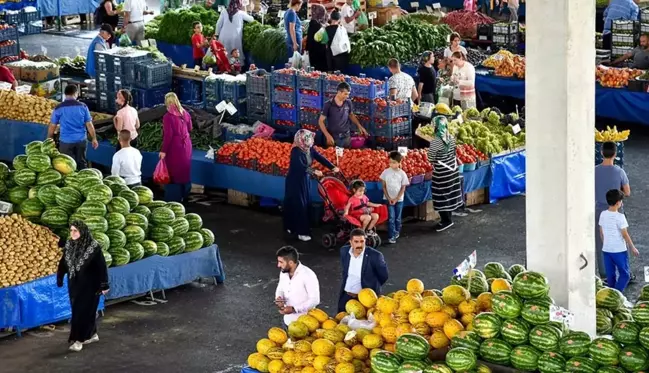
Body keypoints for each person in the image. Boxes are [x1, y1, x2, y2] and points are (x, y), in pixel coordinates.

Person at [56, 221, 109, 352]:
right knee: (83, 311)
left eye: (76, 231)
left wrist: (104, 284)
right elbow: (64, 262)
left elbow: (101, 267)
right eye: (71, 230)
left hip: (91, 286)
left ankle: (78, 340)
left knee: (82, 313)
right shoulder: (69, 244)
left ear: (83, 231)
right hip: (74, 284)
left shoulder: (93, 247)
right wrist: (60, 276)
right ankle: (93, 334)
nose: (72, 233)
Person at [283, 130, 338, 242]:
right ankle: (301, 232)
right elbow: (299, 166)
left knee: (305, 202)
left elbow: (319, 157)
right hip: (295, 181)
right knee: (299, 204)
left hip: (305, 180)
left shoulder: (309, 149)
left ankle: (293, 226)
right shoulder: (296, 151)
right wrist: (313, 171)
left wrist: (332, 167)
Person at [595, 141, 631, 279]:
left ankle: (605, 274)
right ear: (615, 154)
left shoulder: (594, 171)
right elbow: (627, 192)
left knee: (601, 241)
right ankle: (624, 271)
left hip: (599, 210)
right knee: (621, 239)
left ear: (601, 153)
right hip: (616, 210)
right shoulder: (619, 171)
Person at [48, 85, 98, 170]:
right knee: (81, 163)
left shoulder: (59, 108)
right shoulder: (83, 106)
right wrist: (94, 138)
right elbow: (89, 124)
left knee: (67, 166)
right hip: (81, 140)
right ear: (76, 93)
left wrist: (49, 138)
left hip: (65, 142)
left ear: (65, 94)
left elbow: (53, 125)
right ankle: (83, 180)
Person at [337, 229, 389, 312]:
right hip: (346, 296)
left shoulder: (375, 256)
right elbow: (345, 271)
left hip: (365, 300)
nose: (359, 245)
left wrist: (373, 287)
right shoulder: (344, 251)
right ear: (350, 242)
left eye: (362, 241)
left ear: (365, 241)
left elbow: (383, 276)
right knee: (341, 320)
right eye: (356, 241)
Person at [427, 116, 463, 232]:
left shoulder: (435, 142)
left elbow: (431, 158)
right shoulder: (451, 137)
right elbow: (453, 152)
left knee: (441, 195)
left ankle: (446, 221)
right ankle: (448, 218)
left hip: (442, 173)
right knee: (449, 193)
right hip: (453, 170)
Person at [599, 189, 639, 292]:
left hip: (606, 250)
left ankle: (610, 293)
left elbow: (601, 232)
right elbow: (625, 234)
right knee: (625, 274)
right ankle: (617, 293)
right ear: (618, 203)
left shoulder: (603, 214)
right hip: (619, 250)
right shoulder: (620, 217)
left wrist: (606, 243)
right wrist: (632, 247)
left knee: (610, 275)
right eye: (621, 201)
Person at [274, 246, 320, 325]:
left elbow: (315, 300)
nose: (278, 265)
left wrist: (294, 309)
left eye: (281, 262)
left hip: (305, 324)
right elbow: (280, 289)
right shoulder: (283, 272)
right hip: (287, 320)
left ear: (291, 263)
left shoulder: (308, 275)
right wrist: (279, 298)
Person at [160, 93, 193, 202]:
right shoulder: (185, 113)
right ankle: (185, 194)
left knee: (173, 171)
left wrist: (163, 151)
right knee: (184, 169)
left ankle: (173, 198)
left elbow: (168, 136)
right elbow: (190, 128)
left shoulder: (168, 117)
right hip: (186, 145)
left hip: (175, 146)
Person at [319, 82, 368, 148]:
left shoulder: (348, 102)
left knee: (346, 156)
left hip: (346, 137)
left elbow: (351, 115)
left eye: (348, 94)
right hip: (333, 138)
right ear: (339, 92)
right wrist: (327, 135)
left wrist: (359, 126)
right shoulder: (328, 104)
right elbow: (320, 121)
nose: (347, 96)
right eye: (345, 94)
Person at [380, 151, 409, 244]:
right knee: (391, 217)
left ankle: (397, 231)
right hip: (388, 199)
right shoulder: (385, 172)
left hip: (399, 199)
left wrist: (396, 199)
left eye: (394, 162)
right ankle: (391, 236)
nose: (392, 164)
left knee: (397, 218)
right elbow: (383, 186)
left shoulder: (402, 174)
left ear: (399, 163)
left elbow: (403, 188)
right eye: (390, 162)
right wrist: (388, 198)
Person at [305, 4, 328, 72]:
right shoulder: (318, 26)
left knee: (314, 71)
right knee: (320, 72)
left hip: (312, 53)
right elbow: (325, 40)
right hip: (320, 54)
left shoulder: (311, 24)